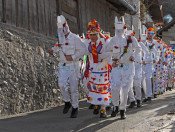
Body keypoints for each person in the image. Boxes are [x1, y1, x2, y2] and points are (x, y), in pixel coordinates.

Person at [48, 15, 87, 118]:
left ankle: (75, 107)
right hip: (63, 66)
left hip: (73, 66)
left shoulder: (75, 38)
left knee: (74, 89)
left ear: (66, 27)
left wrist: (73, 56)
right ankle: (67, 102)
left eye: (62, 28)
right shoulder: (60, 38)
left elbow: (83, 50)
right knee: (61, 84)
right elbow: (58, 46)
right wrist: (52, 50)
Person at [105, 16, 141, 119]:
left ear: (125, 28)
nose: (120, 31)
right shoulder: (112, 40)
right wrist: (111, 62)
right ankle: (115, 106)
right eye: (117, 29)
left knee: (125, 89)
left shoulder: (130, 39)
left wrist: (134, 56)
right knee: (115, 88)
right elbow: (107, 52)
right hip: (116, 68)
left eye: (121, 29)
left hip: (128, 67)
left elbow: (138, 49)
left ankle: (122, 109)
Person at [84, 20, 112, 118]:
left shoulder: (104, 42)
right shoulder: (87, 43)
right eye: (91, 35)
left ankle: (103, 109)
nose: (92, 37)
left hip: (102, 69)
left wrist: (102, 56)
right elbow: (82, 50)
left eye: (94, 34)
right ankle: (96, 104)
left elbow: (111, 52)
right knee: (93, 88)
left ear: (98, 34)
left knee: (102, 89)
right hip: (93, 69)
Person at [128, 32, 149, 108]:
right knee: (129, 84)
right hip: (129, 66)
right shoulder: (126, 45)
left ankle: (138, 100)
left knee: (137, 84)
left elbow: (146, 51)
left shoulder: (139, 44)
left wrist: (144, 59)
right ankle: (132, 100)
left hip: (138, 67)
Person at [142, 27, 159, 103]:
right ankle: (146, 95)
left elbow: (156, 53)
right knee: (143, 81)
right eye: (148, 36)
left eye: (150, 36)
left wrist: (155, 59)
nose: (149, 37)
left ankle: (149, 96)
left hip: (149, 65)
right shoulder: (141, 45)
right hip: (142, 65)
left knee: (148, 79)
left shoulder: (151, 45)